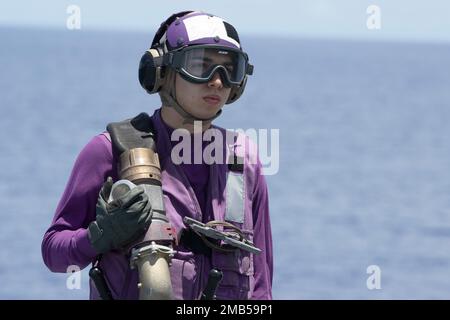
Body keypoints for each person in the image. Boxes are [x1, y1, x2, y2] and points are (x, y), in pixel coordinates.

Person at [42, 10, 273, 300]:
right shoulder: (110, 151)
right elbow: (54, 254)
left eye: (230, 69)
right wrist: (99, 237)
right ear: (162, 72)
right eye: (201, 65)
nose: (217, 81)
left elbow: (261, 287)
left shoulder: (243, 162)